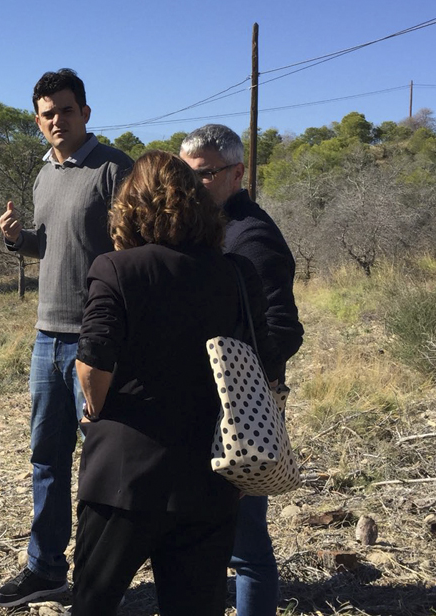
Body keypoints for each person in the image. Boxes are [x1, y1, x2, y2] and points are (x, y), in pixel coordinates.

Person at [72, 151, 281, 616]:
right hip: (210, 474)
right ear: (199, 207)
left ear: (129, 208)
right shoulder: (237, 272)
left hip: (123, 477)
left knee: (94, 602)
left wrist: (95, 412)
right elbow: (266, 363)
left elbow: (92, 362)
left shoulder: (116, 268)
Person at [0, 69, 133, 607]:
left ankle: (103, 578)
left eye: (66, 111)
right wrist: (17, 241)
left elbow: (132, 249)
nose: (57, 120)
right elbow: (53, 246)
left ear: (86, 113)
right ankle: (46, 569)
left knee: (103, 465)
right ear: (38, 121)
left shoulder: (114, 169)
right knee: (46, 459)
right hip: (45, 340)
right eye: (48, 114)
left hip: (95, 342)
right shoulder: (43, 175)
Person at [180, 124, 304, 616]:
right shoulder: (210, 226)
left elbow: (283, 331)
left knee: (246, 547)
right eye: (186, 176)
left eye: (205, 175)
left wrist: (246, 381)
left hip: (236, 410)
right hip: (210, 404)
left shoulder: (252, 235)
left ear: (237, 173)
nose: (193, 187)